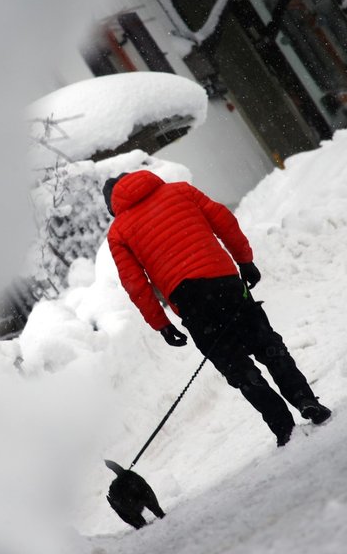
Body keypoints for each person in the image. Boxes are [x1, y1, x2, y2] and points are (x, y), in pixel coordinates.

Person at [103, 170, 331, 447]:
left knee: (238, 368)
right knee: (268, 345)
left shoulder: (119, 232)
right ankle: (305, 400)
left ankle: (283, 427)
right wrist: (244, 260)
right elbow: (224, 221)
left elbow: (135, 284)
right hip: (225, 283)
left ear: (112, 205)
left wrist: (161, 324)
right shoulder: (180, 191)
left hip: (191, 303)